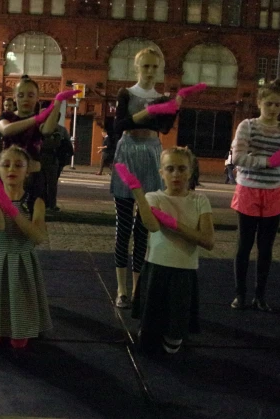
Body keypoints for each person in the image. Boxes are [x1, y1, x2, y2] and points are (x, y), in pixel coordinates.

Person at [108, 48, 183, 309]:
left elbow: (163, 129)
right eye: (146, 66)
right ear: (137, 68)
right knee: (123, 227)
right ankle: (121, 289)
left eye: (154, 67)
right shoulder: (126, 93)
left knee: (144, 228)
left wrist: (172, 110)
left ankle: (138, 288)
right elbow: (117, 126)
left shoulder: (162, 96)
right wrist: (145, 114)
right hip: (127, 154)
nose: (150, 71)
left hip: (152, 156)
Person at [120, 148, 214, 355]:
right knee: (148, 334)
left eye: (182, 169)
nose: (176, 174)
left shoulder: (200, 201)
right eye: (170, 169)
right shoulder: (154, 197)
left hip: (183, 271)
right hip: (155, 268)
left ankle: (173, 335)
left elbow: (208, 240)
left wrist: (173, 224)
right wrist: (137, 192)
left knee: (174, 335)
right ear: (161, 172)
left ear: (190, 172)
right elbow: (152, 226)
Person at [230, 79, 280, 311]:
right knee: (244, 245)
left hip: (275, 191)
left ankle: (260, 295)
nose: (273, 108)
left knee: (266, 247)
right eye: (269, 104)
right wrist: (267, 162)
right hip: (248, 189)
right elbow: (238, 157)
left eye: (277, 105)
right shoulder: (247, 126)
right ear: (259, 103)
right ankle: (240, 294)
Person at [0, 146, 52, 349]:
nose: (12, 169)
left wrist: (13, 211)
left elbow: (37, 237)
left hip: (23, 260)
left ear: (27, 171)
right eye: (5, 165)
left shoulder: (36, 202)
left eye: (18, 165)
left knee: (19, 338)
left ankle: (21, 326)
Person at [0, 76, 76, 212]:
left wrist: (57, 102)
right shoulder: (6, 118)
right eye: (21, 95)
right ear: (15, 98)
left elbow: (47, 130)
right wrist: (37, 118)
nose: (26, 99)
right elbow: (6, 130)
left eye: (31, 95)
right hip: (9, 177)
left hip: (33, 178)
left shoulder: (39, 122)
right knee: (7, 221)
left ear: (37, 98)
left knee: (33, 218)